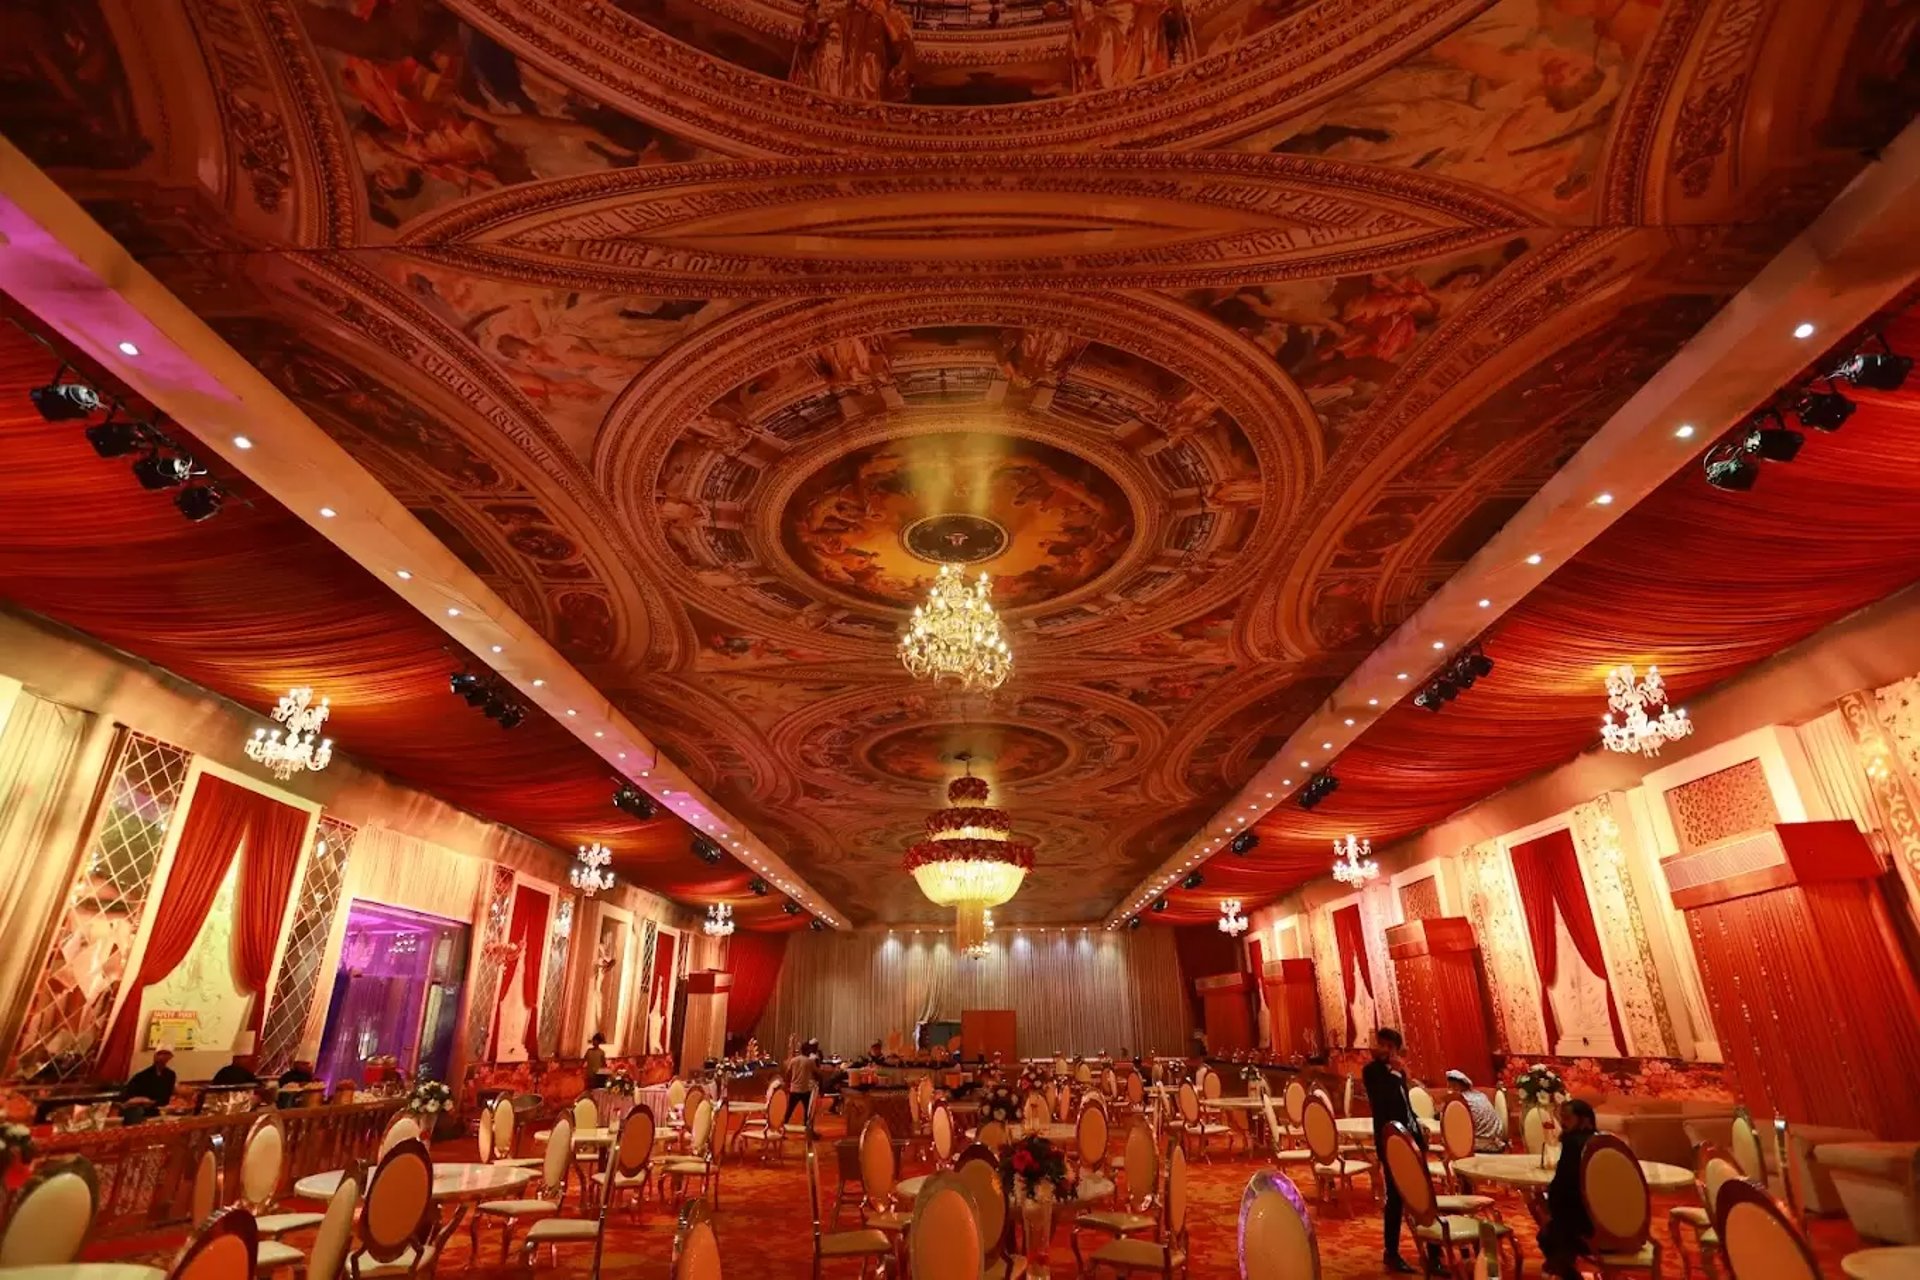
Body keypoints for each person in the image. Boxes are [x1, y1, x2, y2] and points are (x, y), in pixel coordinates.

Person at [1362, 1027, 1426, 1274]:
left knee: (1423, 1195)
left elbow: (1404, 1105)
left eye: (1391, 1047)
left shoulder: (1399, 1073)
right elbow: (1383, 1101)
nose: (1386, 1051)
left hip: (1411, 1140)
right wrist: (1396, 1074)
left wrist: (1417, 1125)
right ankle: (1391, 1253)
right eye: (1383, 1045)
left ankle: (1433, 1252)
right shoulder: (1372, 1072)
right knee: (1395, 1200)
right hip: (1391, 1142)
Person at [1539, 1099, 1599, 1278]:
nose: (1563, 1123)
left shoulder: (1573, 1143)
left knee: (1548, 1234)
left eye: (1567, 1118)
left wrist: (1548, 1205)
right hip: (1617, 1225)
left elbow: (1562, 1187)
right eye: (1562, 1118)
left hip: (1584, 1229)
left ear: (1584, 1120)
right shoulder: (1602, 1141)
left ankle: (1566, 1271)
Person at [1446, 1069, 1507, 1152]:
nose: (1448, 1091)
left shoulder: (1462, 1101)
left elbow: (1454, 1125)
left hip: (1482, 1145)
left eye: (1450, 1087)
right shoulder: (1480, 1095)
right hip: (1497, 1140)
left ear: (1456, 1086)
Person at [783, 1038, 820, 1138]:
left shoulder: (793, 1060)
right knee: (808, 1113)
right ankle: (808, 1132)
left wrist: (787, 1084)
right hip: (804, 1090)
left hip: (794, 1089)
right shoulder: (810, 1062)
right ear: (807, 1050)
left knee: (788, 1112)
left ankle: (781, 1131)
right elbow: (817, 1073)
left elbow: (788, 1073)